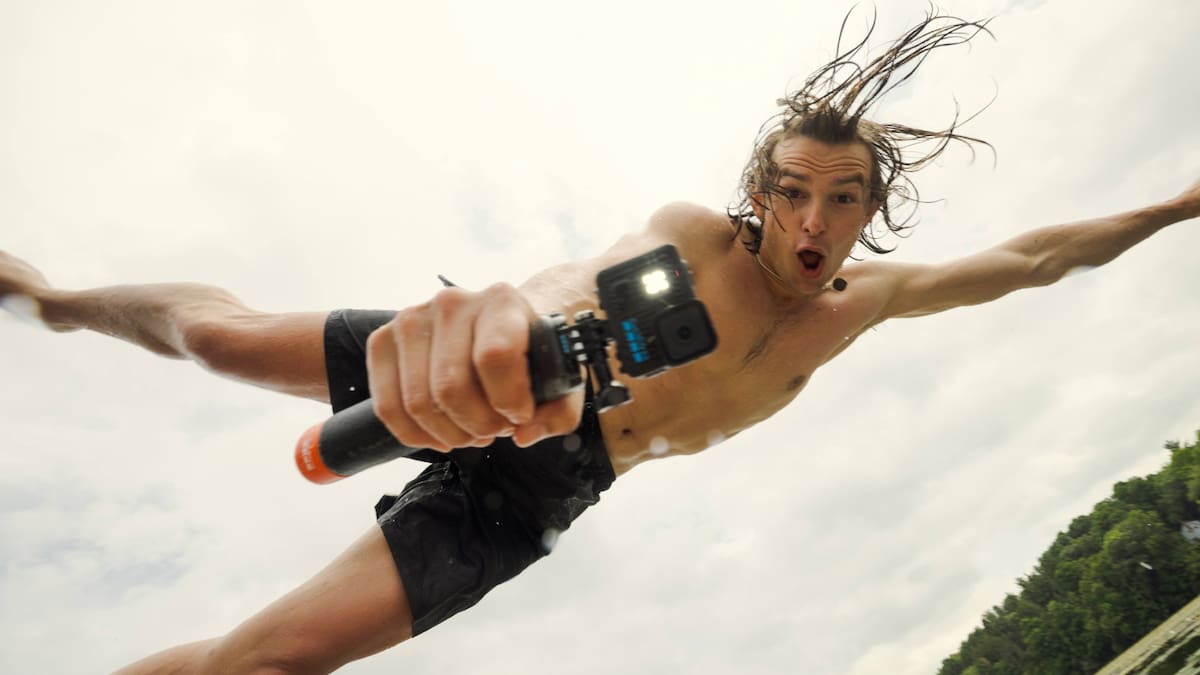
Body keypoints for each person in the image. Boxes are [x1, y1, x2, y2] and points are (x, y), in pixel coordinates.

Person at [2, 12, 1197, 675]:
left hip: (542, 486)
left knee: (252, 668)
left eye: (841, 201)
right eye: (791, 194)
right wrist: (511, 320)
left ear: (869, 209)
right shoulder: (695, 240)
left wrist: (1182, 204)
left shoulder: (870, 302)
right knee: (220, 339)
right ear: (759, 194)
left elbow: (1041, 256)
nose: (811, 225)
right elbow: (578, 280)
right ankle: (55, 300)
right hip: (508, 363)